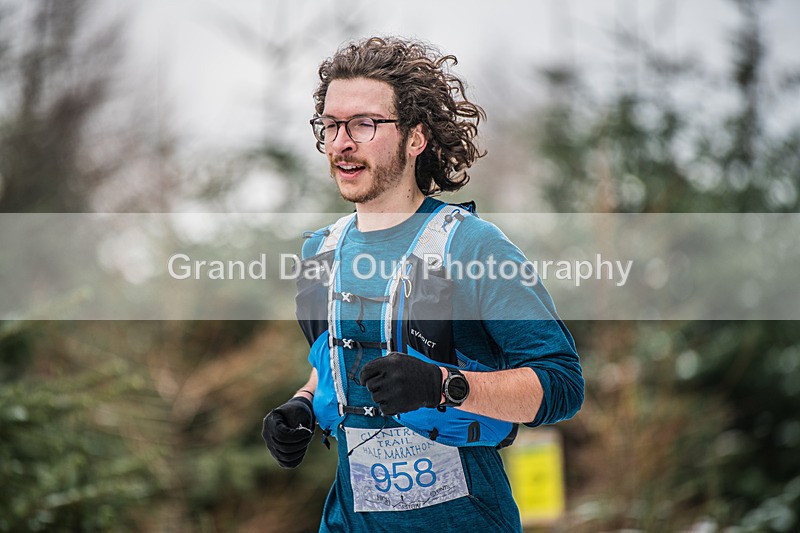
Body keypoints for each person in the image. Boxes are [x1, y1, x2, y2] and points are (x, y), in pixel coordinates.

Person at [262, 36, 583, 532]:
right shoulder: (319, 253)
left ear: (415, 138)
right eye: (330, 125)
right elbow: (337, 363)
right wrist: (302, 405)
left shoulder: (474, 248)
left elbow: (561, 384)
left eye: (364, 124)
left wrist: (443, 386)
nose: (341, 142)